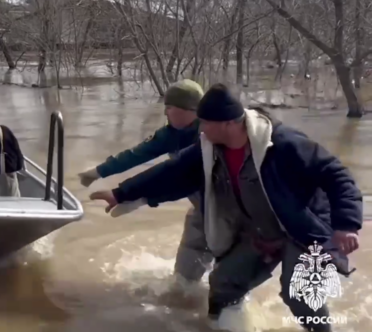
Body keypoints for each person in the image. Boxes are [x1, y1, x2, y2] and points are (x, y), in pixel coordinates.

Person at [89, 84, 363, 332]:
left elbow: (336, 174)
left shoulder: (284, 143)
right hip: (259, 229)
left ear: (230, 123)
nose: (201, 128)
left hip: (303, 228)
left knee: (300, 294)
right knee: (222, 284)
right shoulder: (209, 146)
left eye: (206, 122)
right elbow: (171, 171)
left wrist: (347, 224)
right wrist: (120, 193)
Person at [78, 79, 213, 284]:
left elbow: (176, 175)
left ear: (190, 109)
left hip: (225, 205)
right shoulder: (170, 134)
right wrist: (98, 172)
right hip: (200, 206)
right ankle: (184, 295)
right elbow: (136, 155)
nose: (165, 113)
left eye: (169, 108)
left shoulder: (210, 134)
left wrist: (137, 197)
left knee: (228, 273)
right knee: (184, 276)